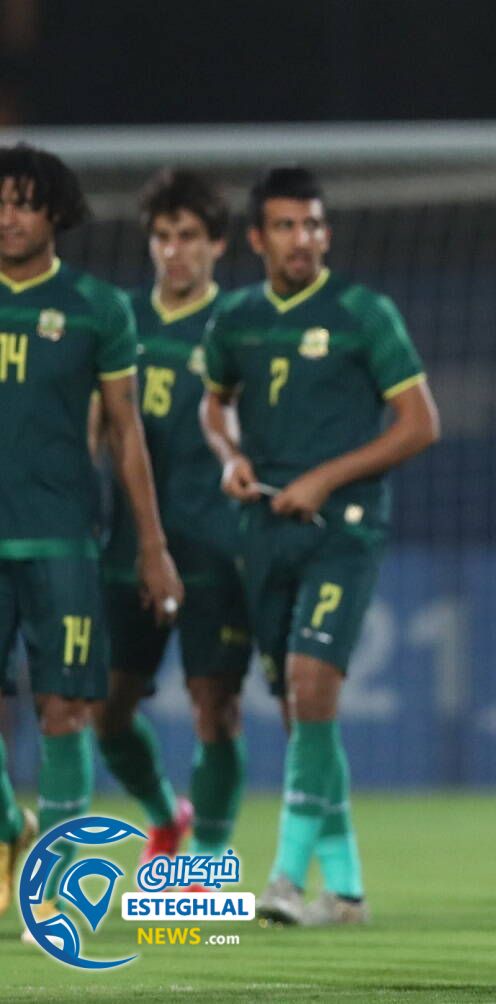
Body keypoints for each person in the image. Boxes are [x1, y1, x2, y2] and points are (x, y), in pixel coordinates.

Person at [201, 166, 440, 927]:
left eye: (312, 225)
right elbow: (214, 406)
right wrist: (231, 458)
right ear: (256, 238)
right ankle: (347, 888)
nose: (302, 239)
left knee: (311, 686)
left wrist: (323, 480)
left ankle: (284, 879)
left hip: (343, 528)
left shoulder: (361, 312)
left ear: (325, 233)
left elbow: (418, 423)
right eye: (285, 226)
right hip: (265, 529)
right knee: (298, 708)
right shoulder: (235, 318)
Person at [0, 143, 184, 938]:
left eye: (25, 202)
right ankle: (13, 825)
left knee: (66, 708)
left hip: (64, 537)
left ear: (57, 213)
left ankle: (52, 883)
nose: (8, 216)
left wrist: (151, 543)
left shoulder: (97, 308)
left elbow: (125, 432)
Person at [94, 168, 252, 869]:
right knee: (105, 712)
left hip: (217, 544)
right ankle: (166, 812)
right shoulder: (119, 319)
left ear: (217, 245)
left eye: (189, 236)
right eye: (162, 236)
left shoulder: (243, 324)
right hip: (128, 544)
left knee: (213, 707)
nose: (174, 251)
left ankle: (205, 861)